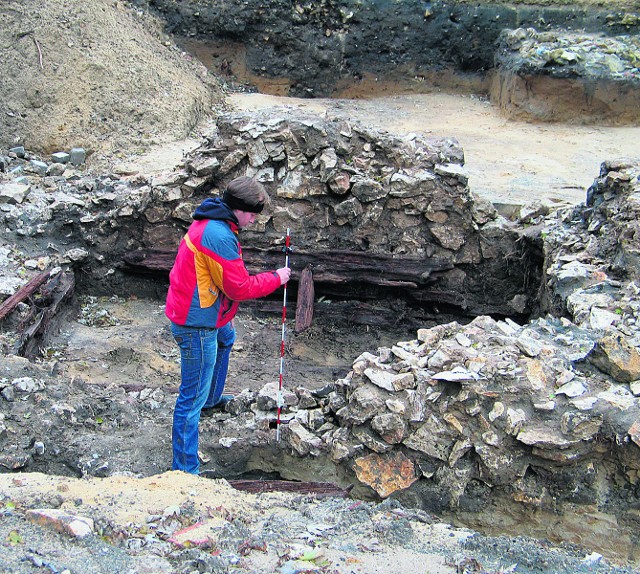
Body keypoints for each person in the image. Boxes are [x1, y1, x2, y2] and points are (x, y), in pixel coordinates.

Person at [165, 176, 291, 474]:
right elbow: (239, 288)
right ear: (239, 209)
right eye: (253, 213)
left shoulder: (216, 220)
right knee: (189, 397)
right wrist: (276, 278)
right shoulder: (218, 235)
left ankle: (211, 399)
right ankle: (185, 471)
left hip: (206, 311)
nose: (255, 219)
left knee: (226, 337)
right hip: (195, 322)